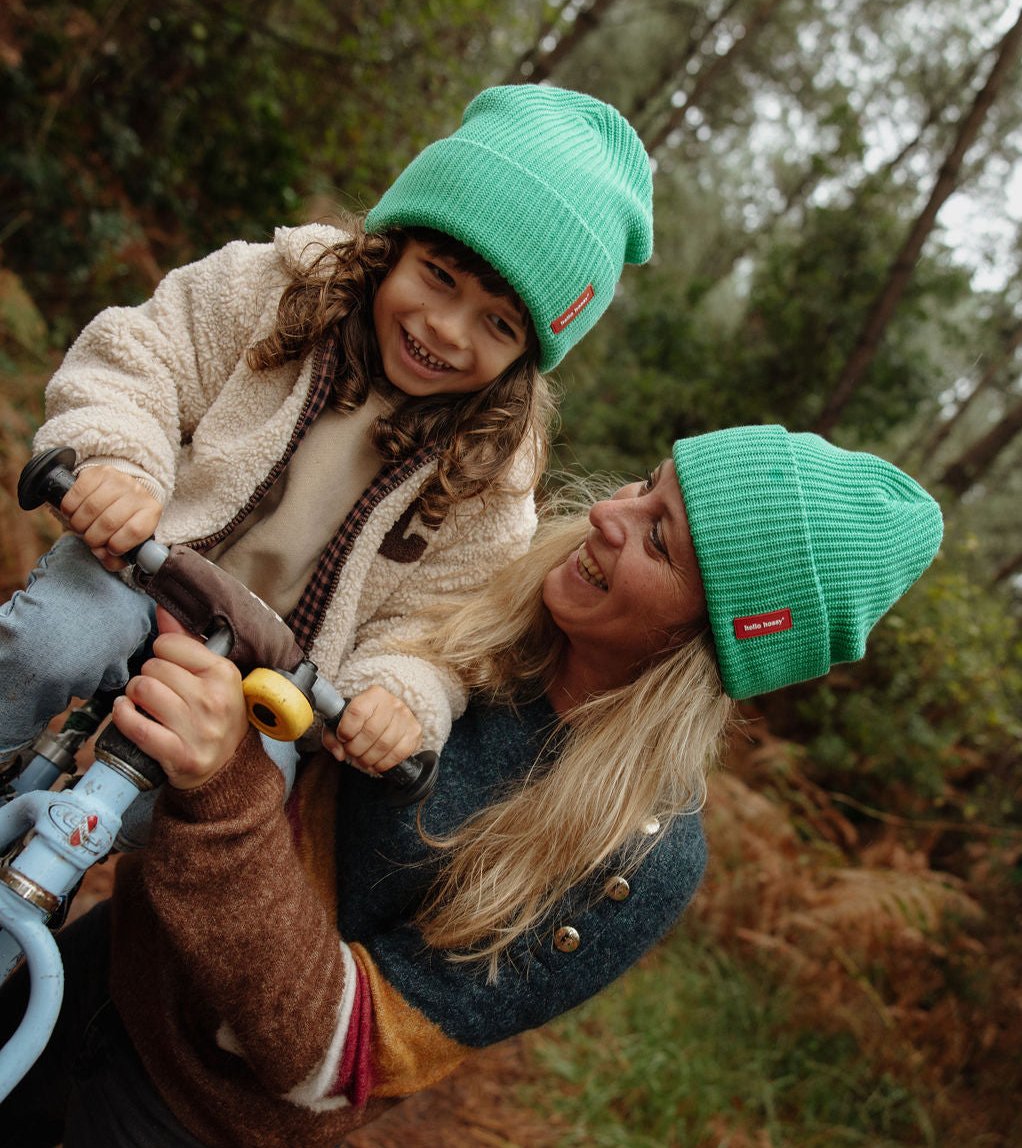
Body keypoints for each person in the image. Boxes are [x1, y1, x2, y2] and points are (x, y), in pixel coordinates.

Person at [0, 425, 943, 1148]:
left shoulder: (635, 856)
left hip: (192, 1117)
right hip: (111, 958)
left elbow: (338, 1057)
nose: (611, 514)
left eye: (659, 542)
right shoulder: (476, 598)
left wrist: (226, 785)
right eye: (648, 485)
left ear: (704, 645)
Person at [0, 83, 654, 777]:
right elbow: (144, 356)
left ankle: (97, 877)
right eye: (438, 276)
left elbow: (442, 627)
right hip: (137, 565)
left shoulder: (491, 485)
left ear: (525, 356)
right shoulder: (274, 291)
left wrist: (398, 694)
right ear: (393, 245)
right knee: (51, 641)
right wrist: (120, 466)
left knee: (216, 804)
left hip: (271, 682)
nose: (446, 328)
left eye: (498, 324)